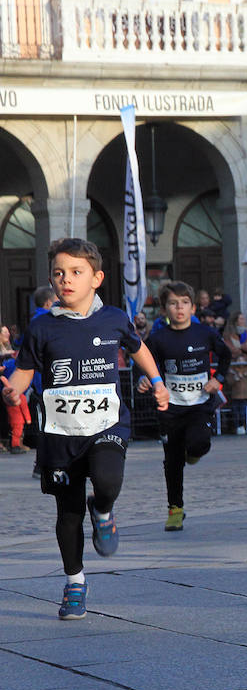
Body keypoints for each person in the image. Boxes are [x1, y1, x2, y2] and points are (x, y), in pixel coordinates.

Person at [1, 238, 170, 620]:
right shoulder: (42, 326)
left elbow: (138, 347)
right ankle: (75, 581)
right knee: (68, 511)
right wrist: (16, 392)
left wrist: (157, 381)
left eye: (76, 272)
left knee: (107, 480)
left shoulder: (113, 318)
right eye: (59, 273)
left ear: (97, 278)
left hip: (106, 422)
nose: (66, 280)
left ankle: (105, 509)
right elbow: (26, 369)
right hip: (61, 431)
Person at [137, 281, 231, 532]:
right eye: (173, 303)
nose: (179, 308)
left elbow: (226, 355)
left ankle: (194, 452)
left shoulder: (205, 334)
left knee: (199, 443)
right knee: (173, 460)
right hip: (170, 409)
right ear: (164, 309)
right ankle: (175, 509)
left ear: (192, 308)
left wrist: (218, 379)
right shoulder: (157, 339)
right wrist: (145, 379)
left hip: (199, 405)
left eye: (185, 303)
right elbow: (145, 364)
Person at [223, 312, 247, 435]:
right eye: (241, 318)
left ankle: (244, 424)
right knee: (236, 399)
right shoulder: (228, 334)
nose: (244, 320)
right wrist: (243, 348)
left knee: (245, 399)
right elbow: (230, 349)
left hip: (246, 369)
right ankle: (237, 424)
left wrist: (241, 347)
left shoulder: (245, 333)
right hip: (235, 368)